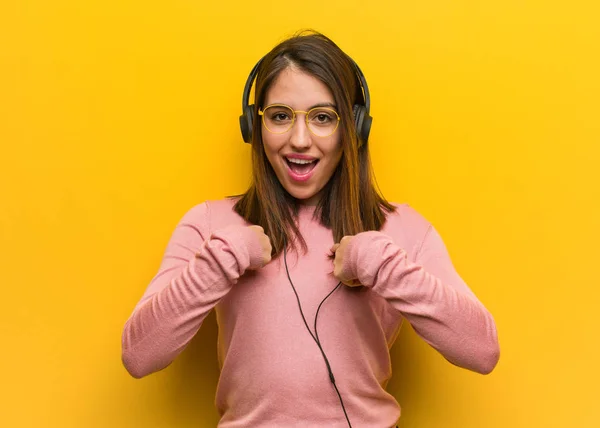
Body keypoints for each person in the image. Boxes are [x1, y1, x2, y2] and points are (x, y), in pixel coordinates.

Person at [121, 30, 500, 428]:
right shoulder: (210, 225)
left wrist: (382, 264)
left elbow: (481, 350)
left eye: (322, 118)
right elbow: (140, 355)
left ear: (354, 128)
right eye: (281, 116)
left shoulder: (402, 229)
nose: (299, 140)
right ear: (255, 125)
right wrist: (222, 260)